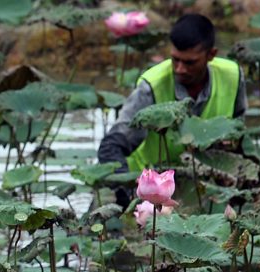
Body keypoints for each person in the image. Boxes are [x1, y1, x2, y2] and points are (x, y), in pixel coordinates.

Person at [98, 13, 247, 192]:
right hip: (148, 188)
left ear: (211, 55)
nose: (180, 69)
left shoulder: (232, 76)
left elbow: (240, 137)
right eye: (175, 59)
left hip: (206, 186)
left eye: (190, 62)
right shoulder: (151, 86)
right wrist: (127, 194)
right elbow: (111, 147)